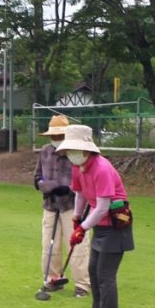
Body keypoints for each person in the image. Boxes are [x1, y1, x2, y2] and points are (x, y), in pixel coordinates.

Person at [55, 124, 134, 308]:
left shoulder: (102, 168)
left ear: (86, 149)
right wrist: (76, 216)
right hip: (100, 227)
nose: (70, 154)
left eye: (73, 150)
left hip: (116, 228)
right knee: (94, 272)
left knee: (105, 275)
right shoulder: (78, 168)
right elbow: (80, 194)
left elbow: (102, 207)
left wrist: (82, 228)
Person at [33, 114, 90, 297]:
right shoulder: (45, 151)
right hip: (50, 205)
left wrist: (69, 189)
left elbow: (87, 180)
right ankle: (53, 280)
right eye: (54, 136)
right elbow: (36, 178)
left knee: (77, 245)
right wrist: (46, 187)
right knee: (50, 245)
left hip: (73, 206)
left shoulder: (77, 153)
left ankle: (82, 284)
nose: (56, 139)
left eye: (60, 136)